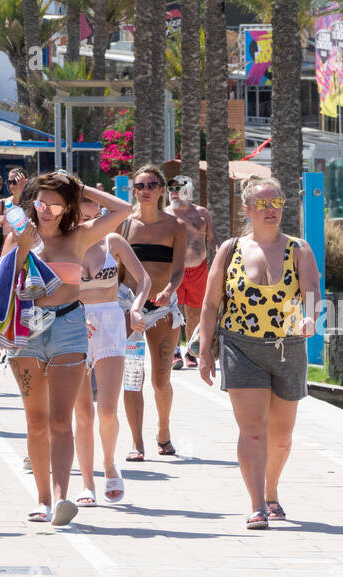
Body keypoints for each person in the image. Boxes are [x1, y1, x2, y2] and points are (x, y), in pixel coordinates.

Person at [3, 171, 135, 525]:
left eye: (55, 203)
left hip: (69, 328)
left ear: (67, 208)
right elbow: (4, 282)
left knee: (62, 420)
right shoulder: (19, 236)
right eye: (41, 202)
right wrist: (24, 246)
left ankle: (62, 498)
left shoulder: (79, 237)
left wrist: (79, 187)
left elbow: (124, 208)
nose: (45, 209)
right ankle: (42, 499)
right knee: (36, 422)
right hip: (27, 330)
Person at [197, 178, 319, 527]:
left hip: (288, 347)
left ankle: (271, 490)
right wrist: (205, 351)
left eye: (276, 203)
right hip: (241, 346)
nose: (271, 210)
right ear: (247, 210)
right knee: (253, 429)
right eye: (262, 204)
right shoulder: (230, 249)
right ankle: (256, 505)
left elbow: (311, 289)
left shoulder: (299, 249)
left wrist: (310, 316)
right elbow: (210, 303)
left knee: (280, 438)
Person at [73, 193, 151, 506]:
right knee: (82, 411)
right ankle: (87, 481)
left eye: (88, 200)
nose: (86, 205)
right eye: (78, 200)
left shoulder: (113, 241)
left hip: (110, 323)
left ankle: (108, 465)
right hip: (76, 324)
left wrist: (136, 308)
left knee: (106, 410)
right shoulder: (65, 242)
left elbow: (143, 279)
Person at [119, 164, 187, 460]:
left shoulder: (175, 226)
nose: (144, 191)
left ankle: (163, 429)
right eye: (139, 186)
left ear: (161, 190)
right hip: (128, 309)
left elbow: (179, 269)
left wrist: (169, 291)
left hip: (162, 309)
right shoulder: (124, 225)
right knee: (133, 375)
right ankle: (136, 442)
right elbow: (118, 270)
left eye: (150, 185)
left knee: (161, 380)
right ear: (133, 190)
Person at [166, 174, 215, 370]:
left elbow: (213, 239)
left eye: (180, 189)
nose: (175, 193)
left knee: (194, 312)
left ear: (189, 191)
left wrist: (223, 256)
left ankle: (191, 352)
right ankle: (175, 352)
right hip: (173, 270)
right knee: (173, 311)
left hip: (198, 270)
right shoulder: (165, 214)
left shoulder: (202, 213)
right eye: (172, 189)